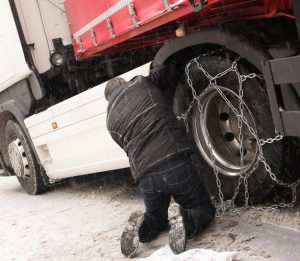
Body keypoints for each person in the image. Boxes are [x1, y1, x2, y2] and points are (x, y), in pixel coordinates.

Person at [105, 60, 215, 258]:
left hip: (146, 177)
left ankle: (142, 229)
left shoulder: (110, 121)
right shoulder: (140, 83)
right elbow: (169, 72)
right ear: (124, 83)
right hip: (173, 160)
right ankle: (187, 220)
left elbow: (127, 148)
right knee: (203, 209)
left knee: (157, 219)